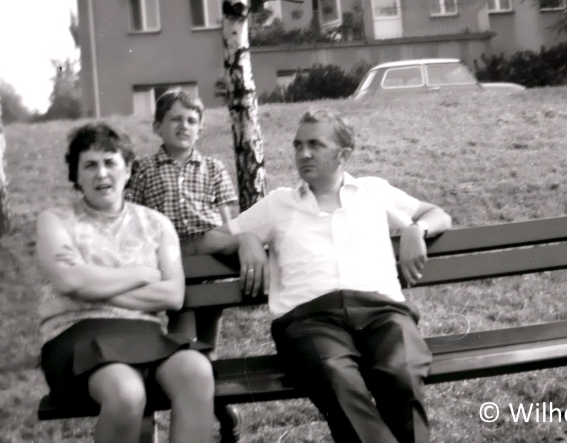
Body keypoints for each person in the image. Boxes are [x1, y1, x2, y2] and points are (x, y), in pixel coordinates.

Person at [201, 108, 452, 443]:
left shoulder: (373, 192)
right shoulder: (279, 204)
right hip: (310, 321)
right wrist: (245, 237)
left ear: (343, 155)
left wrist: (414, 230)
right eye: (298, 145)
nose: (303, 154)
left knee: (402, 373)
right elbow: (211, 239)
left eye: (315, 145)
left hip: (384, 315)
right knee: (338, 379)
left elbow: (438, 214)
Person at [36, 123, 214, 443]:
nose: (101, 174)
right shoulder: (57, 221)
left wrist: (94, 285)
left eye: (110, 162)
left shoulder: (157, 225)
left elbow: (173, 294)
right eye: (89, 165)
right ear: (76, 175)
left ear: (128, 169)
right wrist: (141, 275)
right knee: (126, 392)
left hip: (144, 333)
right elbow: (69, 280)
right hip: (76, 334)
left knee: (196, 372)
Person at [125, 90, 238, 348]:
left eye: (191, 121)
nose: (184, 126)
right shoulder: (144, 169)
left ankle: (209, 363)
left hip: (210, 255)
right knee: (183, 324)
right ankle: (184, 362)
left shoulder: (213, 167)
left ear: (200, 129)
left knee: (210, 317)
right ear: (157, 127)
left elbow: (225, 221)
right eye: (175, 119)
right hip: (171, 255)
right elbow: (134, 215)